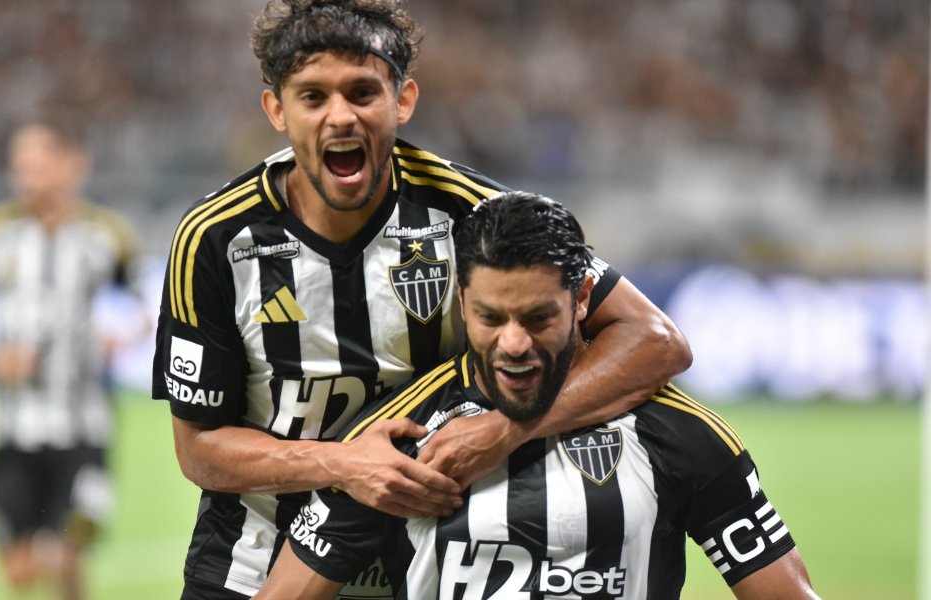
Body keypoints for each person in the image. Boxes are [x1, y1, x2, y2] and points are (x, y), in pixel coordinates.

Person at [151, 1, 691, 598]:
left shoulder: (471, 213)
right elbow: (200, 449)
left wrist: (508, 428)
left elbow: (655, 340)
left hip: (424, 570)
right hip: (249, 568)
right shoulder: (215, 239)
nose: (341, 118)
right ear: (276, 109)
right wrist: (344, 463)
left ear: (402, 100)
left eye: (362, 93)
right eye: (312, 97)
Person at [252, 191, 820, 600]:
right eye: (490, 318)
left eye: (538, 316)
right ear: (460, 304)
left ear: (581, 300)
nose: (514, 344)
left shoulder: (679, 436)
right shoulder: (397, 437)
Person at [0, 114, 145, 600]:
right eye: (19, 165)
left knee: (67, 553)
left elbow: (152, 306)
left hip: (83, 430)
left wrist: (120, 338)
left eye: (36, 164)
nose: (24, 176)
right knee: (19, 571)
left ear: (73, 165)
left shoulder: (107, 235)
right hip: (11, 431)